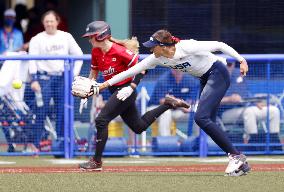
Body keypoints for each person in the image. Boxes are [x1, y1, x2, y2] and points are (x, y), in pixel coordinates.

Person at [97, 29, 250, 176]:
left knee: (201, 118)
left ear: (163, 46)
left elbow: (219, 45)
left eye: (153, 47)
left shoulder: (186, 46)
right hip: (206, 78)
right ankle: (240, 162)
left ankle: (236, 156)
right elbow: (131, 71)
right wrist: (102, 86)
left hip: (218, 73)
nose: (151, 50)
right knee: (208, 120)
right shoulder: (157, 58)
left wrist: (241, 60)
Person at [78, 21, 189, 171]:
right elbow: (94, 73)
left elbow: (142, 69)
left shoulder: (119, 51)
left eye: (91, 37)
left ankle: (96, 162)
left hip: (127, 90)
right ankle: (168, 104)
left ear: (101, 36)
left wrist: (131, 87)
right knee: (138, 127)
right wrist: (87, 91)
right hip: (115, 91)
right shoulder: (96, 52)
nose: (89, 40)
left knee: (101, 120)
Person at [28, 10, 83, 150]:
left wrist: (73, 75)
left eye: (52, 21)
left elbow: (79, 55)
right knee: (41, 110)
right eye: (47, 21)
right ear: (43, 23)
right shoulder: (36, 39)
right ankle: (36, 144)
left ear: (57, 22)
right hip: (43, 78)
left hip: (62, 78)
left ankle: (61, 143)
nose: (49, 24)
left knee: (63, 109)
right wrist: (33, 79)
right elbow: (31, 60)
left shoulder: (66, 37)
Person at [220, 62, 281, 148]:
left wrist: (255, 102)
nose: (228, 67)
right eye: (226, 64)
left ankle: (274, 144)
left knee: (274, 110)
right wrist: (228, 99)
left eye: (230, 64)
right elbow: (208, 100)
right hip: (224, 112)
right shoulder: (214, 76)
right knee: (249, 112)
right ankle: (253, 145)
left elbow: (245, 94)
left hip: (245, 107)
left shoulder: (238, 73)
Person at [148, 69, 199, 136]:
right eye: (175, 68)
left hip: (178, 111)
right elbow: (162, 101)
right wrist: (180, 105)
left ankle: (198, 142)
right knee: (166, 112)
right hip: (156, 109)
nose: (178, 70)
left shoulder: (190, 80)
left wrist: (187, 106)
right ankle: (166, 143)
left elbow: (192, 100)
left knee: (197, 115)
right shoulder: (163, 79)